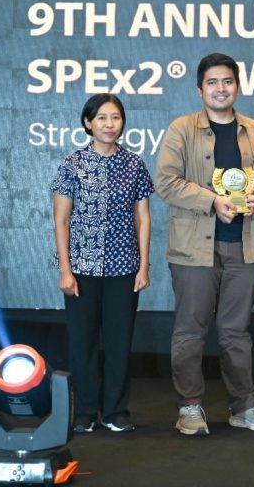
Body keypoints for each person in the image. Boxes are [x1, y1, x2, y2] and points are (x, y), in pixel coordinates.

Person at [155, 53, 254, 436]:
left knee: (236, 332)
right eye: (212, 82)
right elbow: (166, 181)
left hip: (245, 247)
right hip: (194, 248)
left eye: (227, 81)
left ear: (237, 87)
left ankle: (244, 406)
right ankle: (190, 407)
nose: (220, 88)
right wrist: (212, 200)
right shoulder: (181, 129)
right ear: (199, 89)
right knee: (190, 331)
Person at [51, 93, 153, 434]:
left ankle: (116, 411)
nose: (110, 125)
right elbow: (61, 221)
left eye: (116, 118)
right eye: (102, 118)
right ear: (88, 123)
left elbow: (143, 217)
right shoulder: (72, 164)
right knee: (83, 343)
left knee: (119, 342)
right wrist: (65, 270)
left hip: (124, 268)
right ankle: (84, 412)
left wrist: (144, 266)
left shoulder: (134, 164)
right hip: (81, 267)